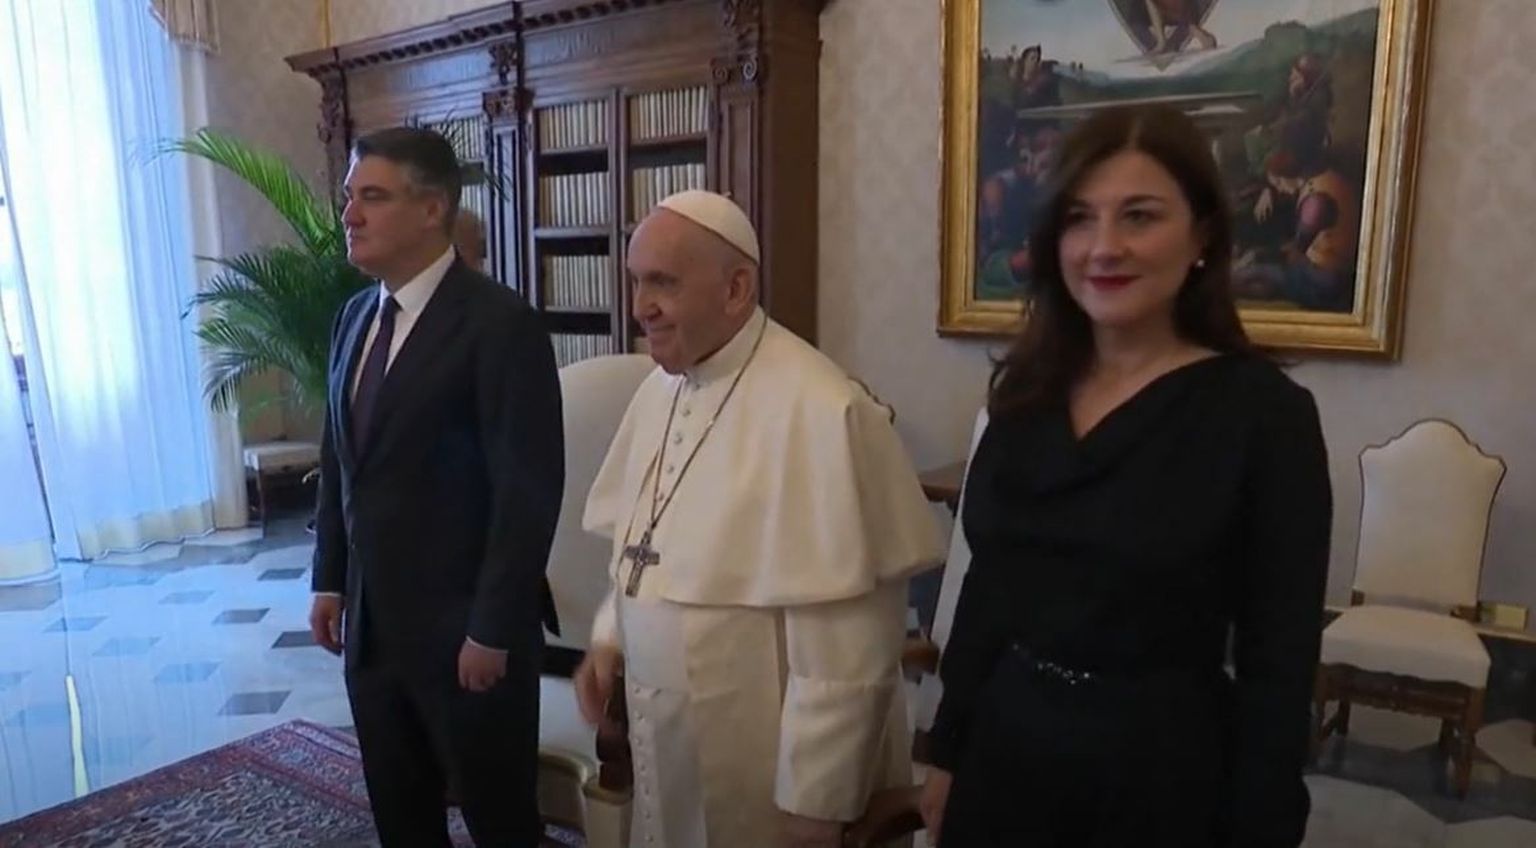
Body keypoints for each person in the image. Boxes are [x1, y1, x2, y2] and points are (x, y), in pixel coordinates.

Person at [919, 105, 1332, 847]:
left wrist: (1266, 824)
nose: (1104, 247)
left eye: (1140, 216)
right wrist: (947, 751)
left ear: (1202, 236)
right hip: (1004, 756)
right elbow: (990, 589)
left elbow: (1279, 660)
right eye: (1080, 218)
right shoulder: (1027, 394)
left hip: (1160, 775)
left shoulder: (1264, 417)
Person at [572, 189, 944, 848]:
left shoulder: (822, 410)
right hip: (664, 738)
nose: (639, 306)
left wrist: (817, 801)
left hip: (769, 762)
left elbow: (846, 644)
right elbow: (643, 546)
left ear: (737, 288)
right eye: (635, 281)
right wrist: (610, 639)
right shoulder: (659, 391)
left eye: (663, 282)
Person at [308, 126, 564, 847]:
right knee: (402, 816)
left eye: (373, 197)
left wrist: (492, 628)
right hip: (373, 629)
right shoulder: (353, 319)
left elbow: (527, 493)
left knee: (500, 822)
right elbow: (341, 461)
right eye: (350, 197)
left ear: (432, 210)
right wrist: (329, 578)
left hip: (467, 636)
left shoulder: (501, 324)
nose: (350, 215)